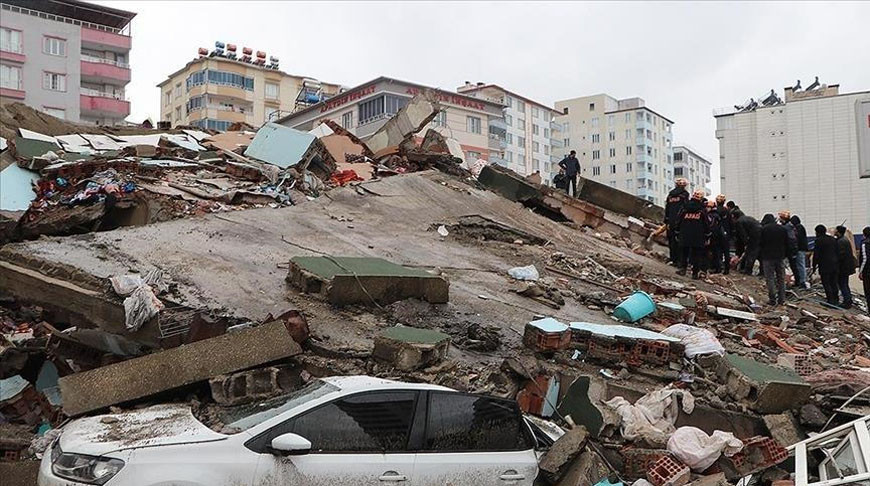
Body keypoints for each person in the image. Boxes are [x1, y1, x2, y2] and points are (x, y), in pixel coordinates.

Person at [675, 189, 709, 279]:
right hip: (698, 235)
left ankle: (682, 269)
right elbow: (706, 223)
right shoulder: (702, 210)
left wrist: (677, 231)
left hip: (684, 233)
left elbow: (678, 220)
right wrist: (707, 235)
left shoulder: (685, 208)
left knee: (684, 252)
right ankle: (695, 273)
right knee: (696, 255)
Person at [760, 214, 789, 306]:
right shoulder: (782, 229)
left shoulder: (764, 229)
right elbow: (787, 242)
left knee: (770, 278)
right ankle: (782, 299)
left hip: (767, 257)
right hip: (780, 256)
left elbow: (761, 243)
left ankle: (772, 299)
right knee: (781, 278)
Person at [664, 178, 690, 266]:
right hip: (681, 221)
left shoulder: (670, 195)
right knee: (680, 241)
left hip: (671, 221)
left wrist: (666, 221)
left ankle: (673, 259)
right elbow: (686, 207)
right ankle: (680, 261)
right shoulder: (685, 195)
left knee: (671, 240)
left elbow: (667, 208)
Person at [812, 225, 840, 305]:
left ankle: (830, 300)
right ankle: (836, 299)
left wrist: (814, 266)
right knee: (834, 282)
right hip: (834, 264)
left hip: (824, 265)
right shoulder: (833, 239)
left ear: (818, 232)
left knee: (826, 283)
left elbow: (816, 255)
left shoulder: (818, 241)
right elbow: (837, 251)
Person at [732, 209, 762, 275]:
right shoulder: (750, 218)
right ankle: (762, 271)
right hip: (759, 236)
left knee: (750, 254)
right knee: (759, 254)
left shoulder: (739, 222)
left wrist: (745, 244)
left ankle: (748, 270)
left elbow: (742, 234)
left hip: (753, 238)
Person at [835, 225, 857, 309]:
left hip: (843, 267)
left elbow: (840, 255)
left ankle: (847, 301)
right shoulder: (845, 240)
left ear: (839, 232)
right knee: (845, 284)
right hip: (847, 267)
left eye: (836, 231)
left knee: (843, 284)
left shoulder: (840, 242)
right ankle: (848, 299)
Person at [790, 215, 809, 289]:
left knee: (800, 265)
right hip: (802, 248)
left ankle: (802, 281)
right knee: (800, 265)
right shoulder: (800, 227)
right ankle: (801, 280)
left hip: (800, 249)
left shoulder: (798, 228)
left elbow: (797, 239)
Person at [706, 200, 724, 273]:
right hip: (717, 236)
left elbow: (711, 226)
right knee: (716, 253)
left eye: (708, 207)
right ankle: (718, 268)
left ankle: (715, 268)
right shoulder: (717, 215)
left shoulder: (711, 216)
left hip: (713, 236)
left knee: (713, 253)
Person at [716, 195, 732, 274]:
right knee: (726, 252)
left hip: (717, 233)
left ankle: (718, 268)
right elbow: (731, 223)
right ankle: (726, 269)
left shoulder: (715, 211)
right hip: (726, 233)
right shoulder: (727, 211)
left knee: (718, 251)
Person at [860, 226, 870, 315]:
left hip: (867, 272)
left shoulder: (865, 244)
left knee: (868, 291)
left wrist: (860, 271)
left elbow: (865, 258)